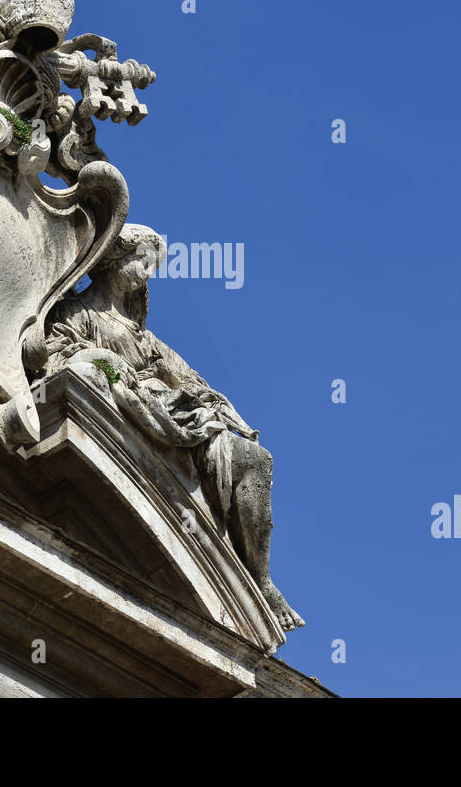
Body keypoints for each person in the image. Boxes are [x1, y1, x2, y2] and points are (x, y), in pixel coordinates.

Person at [46, 224, 304, 630]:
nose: (147, 274)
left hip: (175, 409)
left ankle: (261, 577)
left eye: (153, 267)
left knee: (256, 460)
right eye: (143, 263)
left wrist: (207, 400)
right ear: (116, 259)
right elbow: (56, 352)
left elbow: (193, 382)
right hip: (134, 404)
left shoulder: (144, 339)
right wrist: (108, 362)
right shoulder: (76, 314)